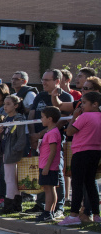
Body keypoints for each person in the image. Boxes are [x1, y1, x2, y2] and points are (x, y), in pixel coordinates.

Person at [27, 69, 72, 217]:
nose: (43, 83)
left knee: (54, 177)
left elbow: (63, 120)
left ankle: (57, 207)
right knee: (42, 178)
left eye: (47, 80)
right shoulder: (40, 95)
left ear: (57, 81)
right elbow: (32, 114)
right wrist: (33, 135)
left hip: (53, 141)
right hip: (38, 142)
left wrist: (41, 134)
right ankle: (41, 204)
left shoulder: (66, 97)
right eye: (42, 80)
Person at [59, 92, 101, 225]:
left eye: (83, 103)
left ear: (95, 104)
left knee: (77, 183)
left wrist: (74, 117)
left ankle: (73, 215)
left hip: (81, 151)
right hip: (96, 151)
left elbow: (70, 131)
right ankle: (96, 214)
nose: (81, 105)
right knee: (90, 183)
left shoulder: (85, 116)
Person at [0, 95, 27, 214]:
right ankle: (16, 204)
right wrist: (0, 132)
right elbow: (5, 136)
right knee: (12, 179)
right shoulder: (6, 119)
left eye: (8, 104)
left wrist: (15, 150)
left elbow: (21, 138)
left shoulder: (19, 119)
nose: (5, 106)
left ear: (16, 105)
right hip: (6, 150)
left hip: (12, 152)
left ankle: (9, 204)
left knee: (9, 179)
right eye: (4, 104)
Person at [34, 107, 62, 222]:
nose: (41, 119)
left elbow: (53, 151)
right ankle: (49, 211)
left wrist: (47, 167)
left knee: (49, 189)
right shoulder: (50, 132)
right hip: (45, 164)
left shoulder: (53, 133)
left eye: (42, 117)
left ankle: (48, 212)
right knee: (49, 188)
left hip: (49, 166)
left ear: (49, 119)